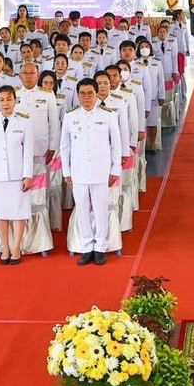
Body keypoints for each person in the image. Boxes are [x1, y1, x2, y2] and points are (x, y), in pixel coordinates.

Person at [60, 78, 123, 266]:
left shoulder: (108, 115)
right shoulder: (71, 116)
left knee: (101, 209)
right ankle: (87, 247)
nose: (86, 97)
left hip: (101, 171)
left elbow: (116, 146)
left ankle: (100, 247)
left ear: (97, 94)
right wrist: (66, 172)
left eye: (90, 93)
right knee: (82, 209)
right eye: (82, 94)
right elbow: (64, 146)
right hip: (78, 172)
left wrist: (115, 169)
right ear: (78, 95)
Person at [0, 84, 37, 265]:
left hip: (17, 174)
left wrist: (28, 175)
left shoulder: (25, 121)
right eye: (2, 100)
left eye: (9, 99)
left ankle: (16, 247)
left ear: (15, 100)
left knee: (19, 213)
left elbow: (28, 151)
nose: (5, 103)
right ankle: (5, 247)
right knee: (0, 213)